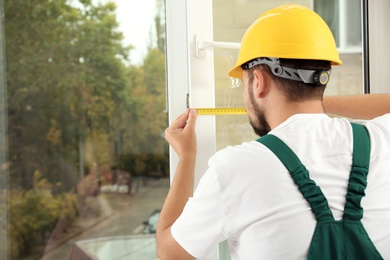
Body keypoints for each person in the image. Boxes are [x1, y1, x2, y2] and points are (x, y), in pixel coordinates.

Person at [156, 4, 390, 260]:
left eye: (243, 83)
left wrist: (187, 157)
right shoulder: (381, 140)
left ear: (258, 81)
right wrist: (315, 101)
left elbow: (170, 253)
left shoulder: (235, 168)